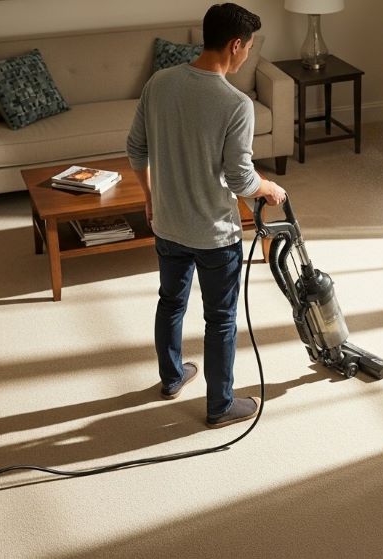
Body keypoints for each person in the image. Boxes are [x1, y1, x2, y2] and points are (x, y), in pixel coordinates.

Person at [126, 3, 287, 429]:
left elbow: (135, 148)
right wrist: (268, 188)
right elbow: (240, 178)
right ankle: (220, 406)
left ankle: (172, 377)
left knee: (170, 302)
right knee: (220, 319)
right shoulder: (236, 104)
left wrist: (149, 196)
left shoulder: (159, 83)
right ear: (235, 45)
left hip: (168, 224)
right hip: (215, 236)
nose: (247, 56)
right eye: (247, 49)